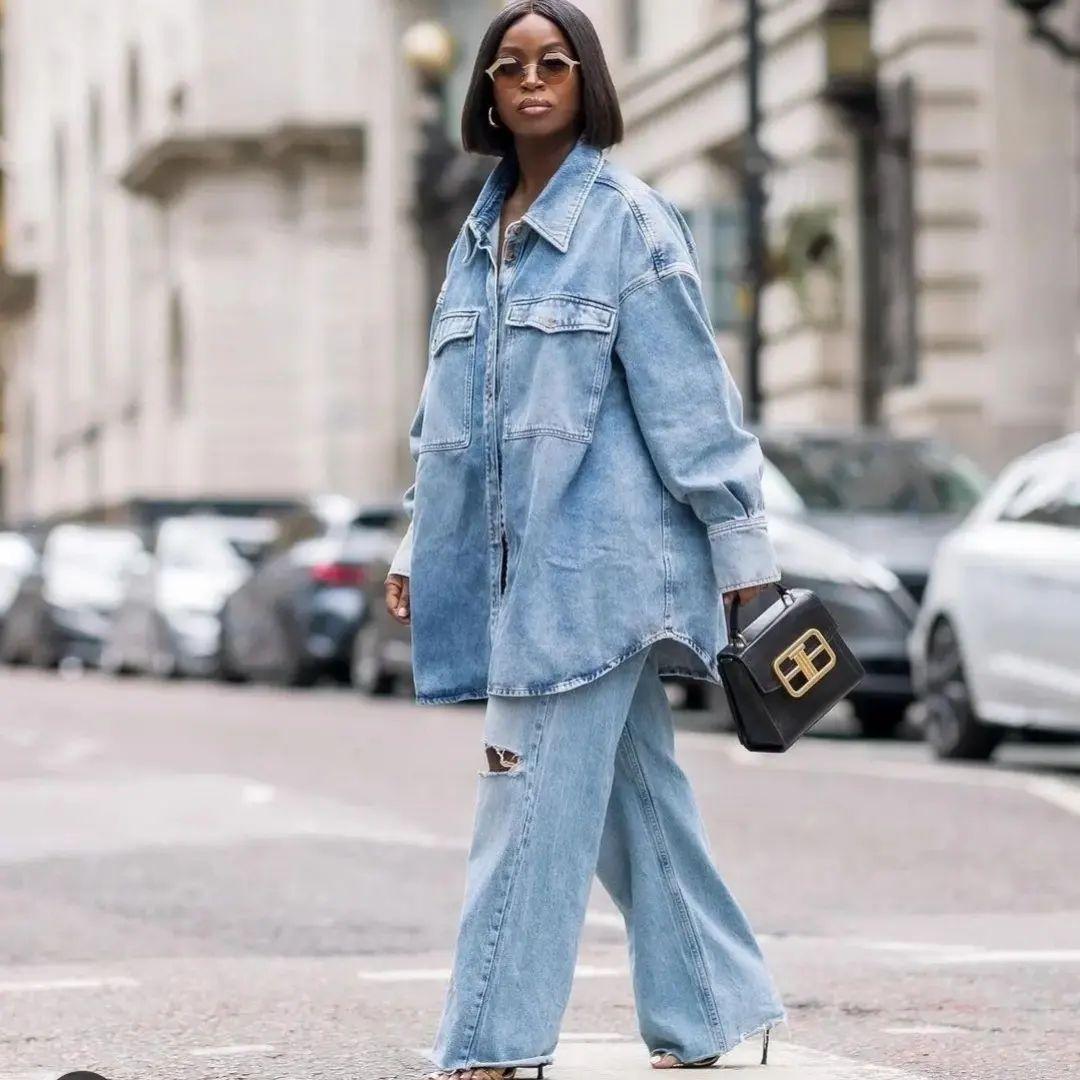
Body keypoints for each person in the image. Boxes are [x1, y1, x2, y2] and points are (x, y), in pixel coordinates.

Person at [384, 3, 787, 1076]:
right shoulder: (479, 237)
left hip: (603, 572)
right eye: (509, 65)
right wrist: (416, 542)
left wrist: (745, 559)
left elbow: (695, 403)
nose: (530, 80)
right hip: (523, 579)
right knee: (633, 800)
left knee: (523, 801)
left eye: (553, 63)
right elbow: (448, 418)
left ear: (585, 81)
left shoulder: (631, 221)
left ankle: (490, 1044)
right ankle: (712, 1009)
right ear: (484, 90)